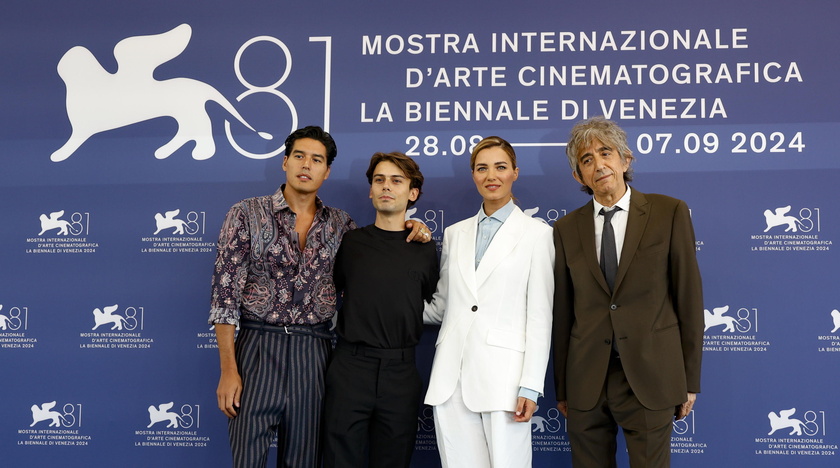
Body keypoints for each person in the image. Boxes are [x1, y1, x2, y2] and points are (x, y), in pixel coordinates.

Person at [208, 126, 432, 468]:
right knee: (247, 460)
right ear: (284, 162)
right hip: (256, 347)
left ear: (326, 172)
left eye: (317, 160)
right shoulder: (246, 213)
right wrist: (228, 370)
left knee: (304, 461)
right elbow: (225, 296)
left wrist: (416, 228)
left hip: (314, 353)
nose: (306, 165)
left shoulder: (342, 226)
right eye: (299, 156)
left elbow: (380, 261)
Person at [552, 116, 704, 468]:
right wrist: (563, 388)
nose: (599, 164)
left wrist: (689, 380)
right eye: (586, 160)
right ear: (579, 176)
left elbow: (689, 300)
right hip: (586, 381)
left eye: (605, 152)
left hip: (652, 377)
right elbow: (563, 313)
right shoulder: (564, 228)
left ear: (626, 159)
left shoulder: (670, 212)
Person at [423, 136, 554, 468]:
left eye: (500, 167)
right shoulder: (454, 233)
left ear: (515, 173)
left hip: (506, 381)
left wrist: (530, 385)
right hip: (450, 379)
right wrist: (380, 306)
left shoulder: (538, 234)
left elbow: (540, 316)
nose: (491, 175)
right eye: (482, 168)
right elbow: (443, 304)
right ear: (473, 175)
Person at [323, 152, 439, 468]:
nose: (386, 187)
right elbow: (329, 295)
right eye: (379, 180)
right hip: (350, 368)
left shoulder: (426, 248)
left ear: (412, 193)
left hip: (401, 371)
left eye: (396, 180)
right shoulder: (350, 243)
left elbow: (435, 303)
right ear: (371, 191)